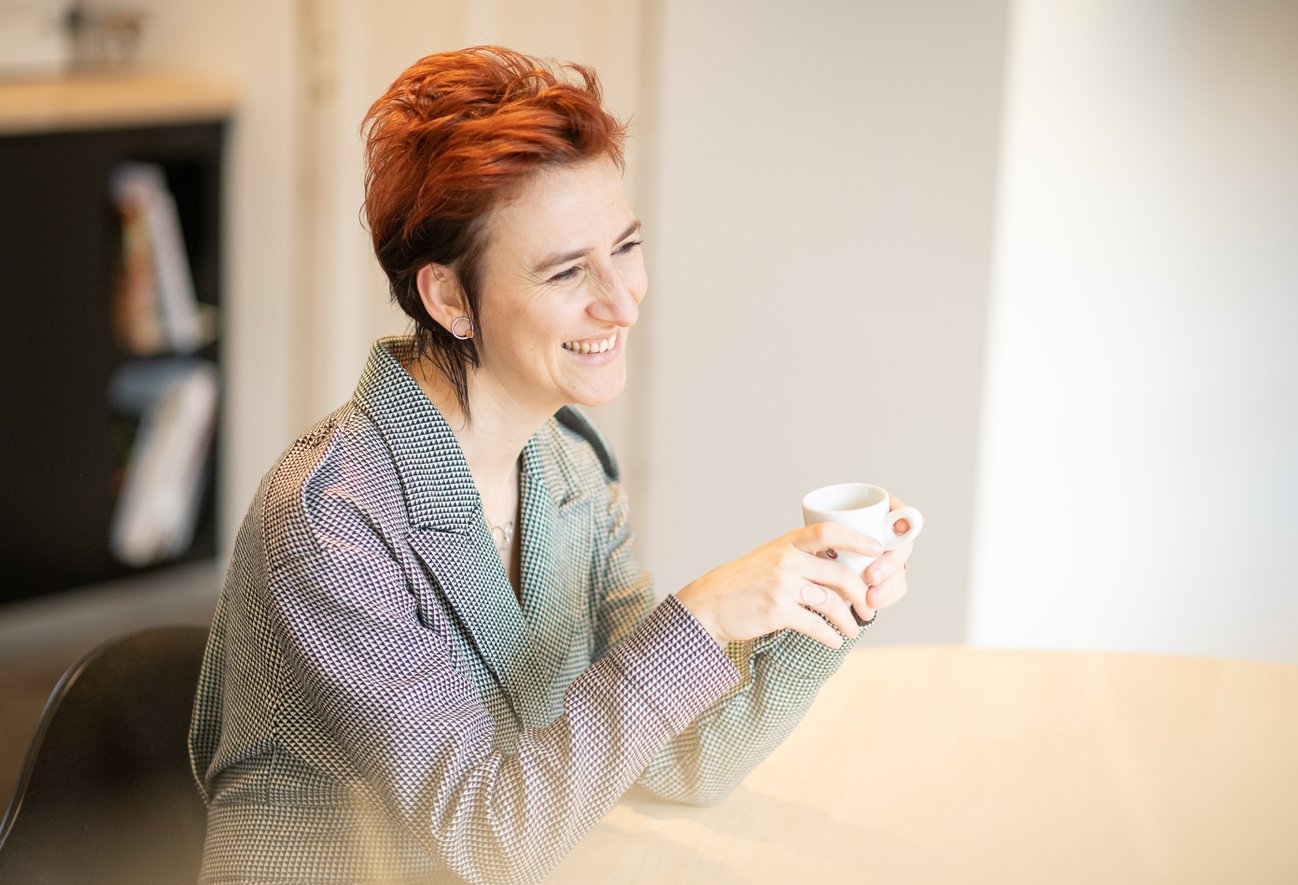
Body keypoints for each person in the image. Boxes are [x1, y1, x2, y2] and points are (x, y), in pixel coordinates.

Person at [189, 45, 917, 884]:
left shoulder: (568, 469)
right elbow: (481, 836)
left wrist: (814, 602)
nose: (622, 299)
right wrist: (703, 615)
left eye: (626, 247)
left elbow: (680, 758)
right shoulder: (331, 522)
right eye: (569, 270)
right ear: (450, 298)